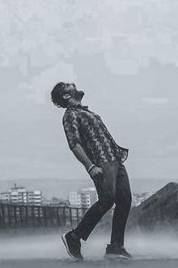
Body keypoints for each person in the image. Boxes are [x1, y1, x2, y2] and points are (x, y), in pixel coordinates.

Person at [50, 82, 132, 260]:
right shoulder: (70, 115)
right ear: (66, 95)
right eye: (68, 85)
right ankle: (73, 237)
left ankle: (116, 246)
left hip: (115, 160)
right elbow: (74, 144)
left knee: (125, 201)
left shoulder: (86, 112)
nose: (72, 84)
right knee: (107, 199)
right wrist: (90, 166)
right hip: (101, 162)